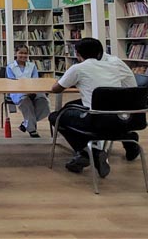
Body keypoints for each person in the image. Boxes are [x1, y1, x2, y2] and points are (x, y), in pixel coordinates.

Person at [49, 37, 137, 178]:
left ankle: (90, 153)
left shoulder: (78, 68)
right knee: (69, 107)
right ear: (100, 53)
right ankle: (87, 153)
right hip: (121, 118)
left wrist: (72, 80)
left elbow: (56, 89)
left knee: (56, 117)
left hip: (96, 119)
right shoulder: (114, 66)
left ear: (77, 54)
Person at [6, 45, 50, 138]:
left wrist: (31, 90)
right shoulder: (10, 67)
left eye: (25, 53)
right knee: (26, 102)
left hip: (33, 90)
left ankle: (25, 123)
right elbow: (12, 82)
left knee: (44, 102)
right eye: (21, 53)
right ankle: (32, 130)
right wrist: (25, 90)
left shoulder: (32, 66)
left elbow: (35, 80)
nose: (23, 55)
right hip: (17, 92)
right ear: (16, 53)